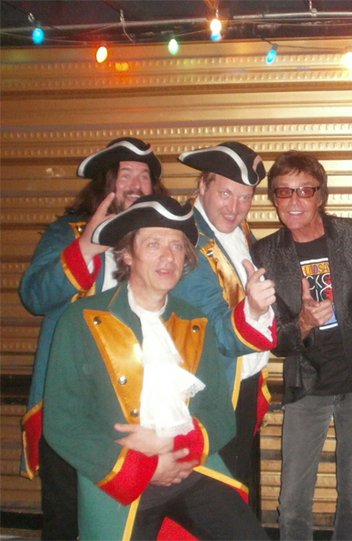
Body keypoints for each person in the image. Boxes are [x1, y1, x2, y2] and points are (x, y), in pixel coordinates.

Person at [43, 195, 269, 541]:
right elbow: (62, 422)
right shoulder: (82, 319)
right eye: (153, 244)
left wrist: (180, 451)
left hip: (191, 468)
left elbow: (219, 412)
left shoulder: (194, 319)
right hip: (120, 479)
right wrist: (144, 467)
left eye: (177, 246)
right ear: (127, 255)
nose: (168, 257)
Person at [19, 136, 167, 540]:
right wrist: (85, 247)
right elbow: (34, 296)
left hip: (139, 407)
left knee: (131, 518)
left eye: (144, 176)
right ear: (106, 184)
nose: (136, 184)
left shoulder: (163, 241)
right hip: (73, 406)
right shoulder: (67, 233)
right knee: (67, 518)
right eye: (126, 175)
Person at [251, 150, 352, 540]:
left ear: (320, 195)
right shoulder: (264, 254)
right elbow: (273, 337)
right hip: (307, 387)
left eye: (304, 190)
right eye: (283, 192)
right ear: (274, 199)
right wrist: (303, 323)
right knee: (293, 498)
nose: (294, 201)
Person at [173, 141, 276, 512]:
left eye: (245, 197)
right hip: (210, 394)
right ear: (202, 186)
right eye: (225, 194)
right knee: (218, 499)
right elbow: (215, 329)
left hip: (243, 386)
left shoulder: (239, 232)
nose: (234, 208)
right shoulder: (185, 241)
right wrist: (252, 308)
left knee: (240, 490)